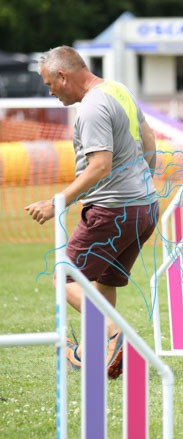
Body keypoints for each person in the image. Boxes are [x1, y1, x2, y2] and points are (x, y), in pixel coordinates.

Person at [24, 45, 159, 379]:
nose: (50, 92)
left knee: (64, 278)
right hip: (145, 208)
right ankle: (95, 352)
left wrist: (56, 202)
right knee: (103, 281)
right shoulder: (118, 90)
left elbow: (100, 166)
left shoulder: (92, 107)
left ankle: (116, 333)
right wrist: (141, 185)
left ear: (62, 76)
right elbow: (150, 141)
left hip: (111, 211)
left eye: (49, 84)